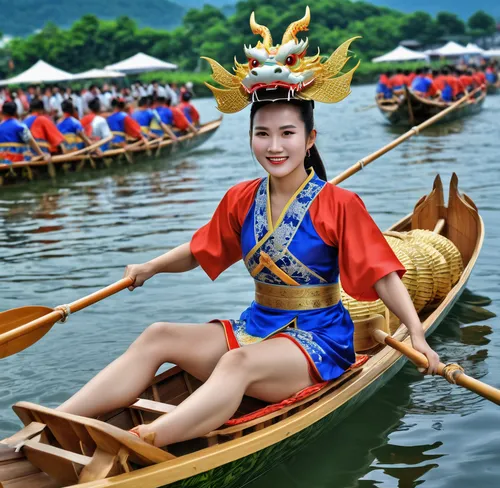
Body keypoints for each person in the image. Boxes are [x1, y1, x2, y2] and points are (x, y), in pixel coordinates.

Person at [58, 8, 439, 448]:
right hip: (254, 327)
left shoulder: (340, 203)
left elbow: (381, 275)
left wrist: (417, 333)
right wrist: (149, 267)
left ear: (309, 139)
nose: (274, 147)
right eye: (263, 134)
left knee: (236, 364)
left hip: (317, 341)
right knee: (158, 334)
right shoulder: (241, 197)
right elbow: (200, 249)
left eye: (287, 133)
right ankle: (57, 418)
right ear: (251, 136)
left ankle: (145, 439)